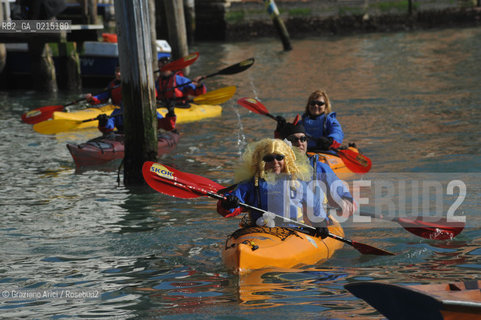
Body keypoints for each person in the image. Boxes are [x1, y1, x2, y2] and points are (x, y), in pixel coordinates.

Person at [217, 138, 330, 239]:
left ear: (286, 160)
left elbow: (314, 206)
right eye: (269, 158)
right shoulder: (251, 184)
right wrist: (228, 203)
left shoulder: (297, 183)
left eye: (279, 157)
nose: (275, 162)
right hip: (260, 230)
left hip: (293, 232)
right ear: (261, 162)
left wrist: (321, 223)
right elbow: (228, 206)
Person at [278, 121, 355, 217]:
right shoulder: (275, 165)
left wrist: (345, 200)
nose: (299, 143)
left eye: (303, 139)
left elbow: (339, 189)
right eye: (293, 139)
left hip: (313, 218)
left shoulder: (319, 167)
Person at [89, 67, 176, 135]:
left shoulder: (149, 112)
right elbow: (107, 128)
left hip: (145, 139)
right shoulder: (118, 112)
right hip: (125, 139)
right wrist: (102, 122)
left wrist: (170, 114)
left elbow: (167, 126)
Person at [276, 89, 343, 152]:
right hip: (305, 152)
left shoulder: (330, 121)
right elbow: (284, 141)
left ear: (326, 106)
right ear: (308, 105)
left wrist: (330, 141)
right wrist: (281, 129)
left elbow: (337, 133)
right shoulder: (301, 123)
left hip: (325, 152)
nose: (316, 106)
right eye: (313, 103)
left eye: (320, 103)